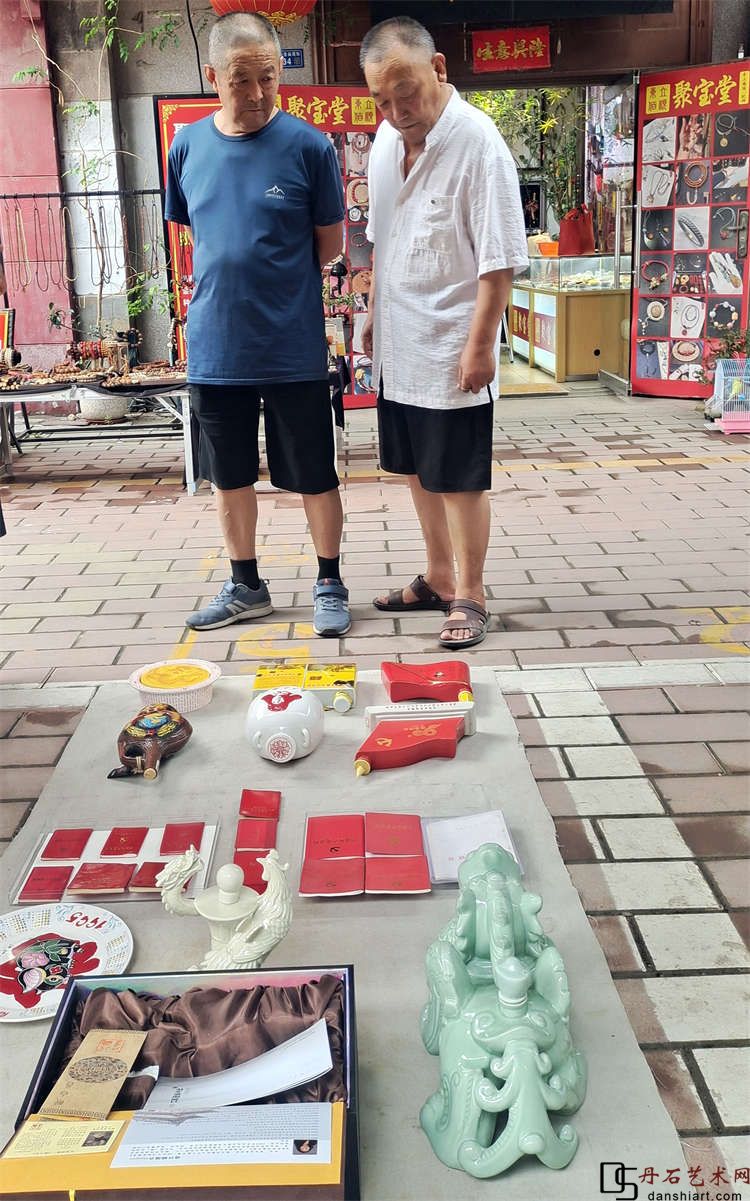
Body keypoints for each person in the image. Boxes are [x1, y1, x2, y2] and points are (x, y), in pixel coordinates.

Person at [165, 12, 351, 636]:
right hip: (216, 345)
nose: (256, 93)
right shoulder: (187, 146)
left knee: (314, 471)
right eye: (241, 80)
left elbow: (328, 244)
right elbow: (198, 230)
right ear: (212, 76)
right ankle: (245, 584)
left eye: (268, 77)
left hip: (291, 344)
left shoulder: (309, 147)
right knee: (230, 473)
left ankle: (329, 580)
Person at [360, 17, 528, 647]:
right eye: (382, 99)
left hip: (453, 344)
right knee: (415, 469)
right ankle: (436, 575)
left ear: (438, 69)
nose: (397, 111)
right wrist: (372, 311)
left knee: (458, 477)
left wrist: (481, 346)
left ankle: (471, 594)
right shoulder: (385, 141)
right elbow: (384, 237)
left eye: (406, 92)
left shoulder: (478, 143)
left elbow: (500, 259)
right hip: (401, 343)